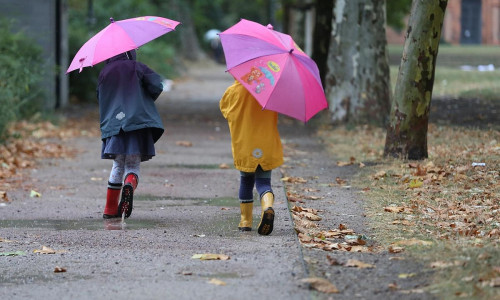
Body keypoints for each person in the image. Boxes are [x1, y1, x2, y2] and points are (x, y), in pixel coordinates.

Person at [97, 49, 164, 219]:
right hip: (137, 123)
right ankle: (130, 183)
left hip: (115, 124)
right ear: (130, 52)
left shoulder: (105, 72)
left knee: (118, 164)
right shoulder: (137, 67)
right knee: (132, 165)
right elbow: (157, 85)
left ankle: (110, 209)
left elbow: (100, 96)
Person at [220, 80, 284, 235]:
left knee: (246, 181)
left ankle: (245, 221)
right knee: (263, 182)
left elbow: (225, 110)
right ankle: (267, 206)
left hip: (245, 143)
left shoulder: (233, 90)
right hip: (266, 143)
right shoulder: (270, 90)